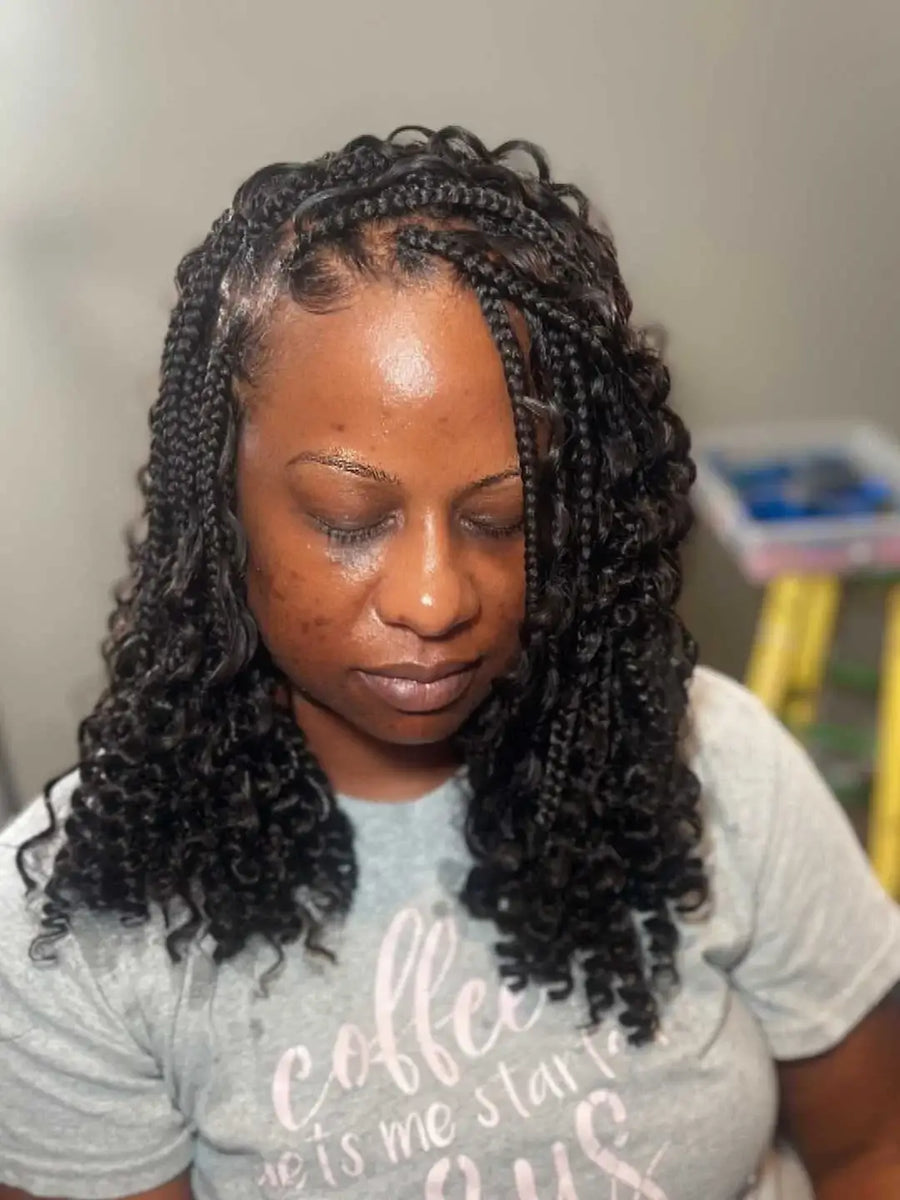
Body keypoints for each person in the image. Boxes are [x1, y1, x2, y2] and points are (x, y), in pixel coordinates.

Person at [0, 127, 898, 1200]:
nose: (434, 599)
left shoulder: (720, 766)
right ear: (218, 508)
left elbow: (869, 1152)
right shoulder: (73, 927)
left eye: (502, 520)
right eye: (348, 516)